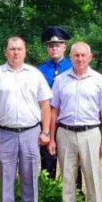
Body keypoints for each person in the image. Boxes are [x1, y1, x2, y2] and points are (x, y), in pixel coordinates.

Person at [0, 35, 53, 202]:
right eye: (12, 49)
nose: (16, 52)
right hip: (4, 134)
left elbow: (45, 104)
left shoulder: (35, 74)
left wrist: (46, 131)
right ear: (6, 51)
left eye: (19, 49)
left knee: (30, 175)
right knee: (6, 176)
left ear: (25, 51)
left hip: (30, 132)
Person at [48, 42, 102, 202]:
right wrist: (51, 138)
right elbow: (54, 110)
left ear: (90, 57)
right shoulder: (60, 81)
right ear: (71, 57)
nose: (80, 59)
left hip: (90, 132)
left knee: (92, 176)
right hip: (65, 132)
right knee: (67, 176)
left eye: (84, 55)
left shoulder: (99, 80)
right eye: (76, 55)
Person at [37, 26, 73, 179]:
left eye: (57, 45)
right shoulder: (39, 70)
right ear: (47, 48)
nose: (54, 48)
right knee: (48, 159)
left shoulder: (73, 66)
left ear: (64, 47)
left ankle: (75, 195)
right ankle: (49, 194)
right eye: (50, 46)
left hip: (67, 118)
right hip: (45, 118)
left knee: (72, 161)